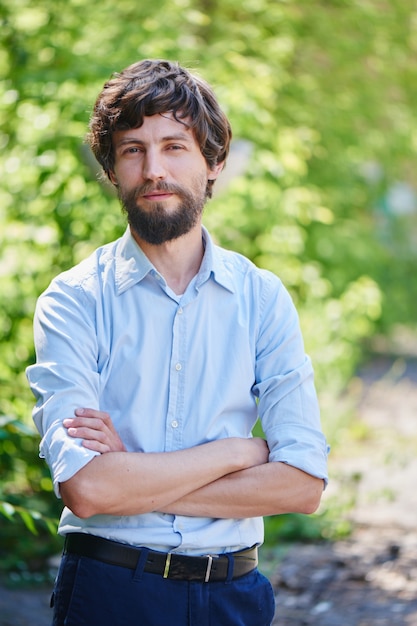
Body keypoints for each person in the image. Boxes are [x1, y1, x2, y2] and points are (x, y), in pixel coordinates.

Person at [26, 59, 329, 626]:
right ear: (112, 169)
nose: (153, 169)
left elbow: (302, 483)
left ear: (213, 163)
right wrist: (237, 454)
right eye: (133, 149)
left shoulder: (261, 299)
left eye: (174, 146)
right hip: (108, 592)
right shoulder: (73, 301)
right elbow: (88, 489)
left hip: (234, 597)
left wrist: (132, 479)